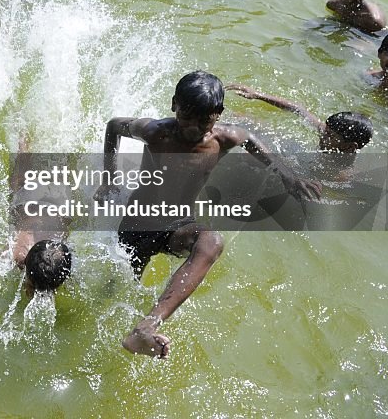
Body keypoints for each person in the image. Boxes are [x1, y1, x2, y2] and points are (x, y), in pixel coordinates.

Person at [96, 71, 319, 359]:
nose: (193, 127)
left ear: (218, 115)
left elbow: (249, 138)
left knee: (211, 241)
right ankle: (120, 331)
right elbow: (114, 126)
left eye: (204, 120)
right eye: (187, 117)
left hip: (178, 225)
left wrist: (288, 175)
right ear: (174, 105)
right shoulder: (157, 132)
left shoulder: (223, 139)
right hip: (139, 223)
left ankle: (146, 328)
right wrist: (108, 178)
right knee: (120, 286)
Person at [225, 83, 374, 154]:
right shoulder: (330, 134)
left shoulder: (340, 173)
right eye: (325, 129)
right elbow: (297, 109)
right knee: (245, 119)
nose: (322, 133)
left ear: (350, 147)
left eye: (329, 134)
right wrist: (257, 95)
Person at [9, 149, 72, 295]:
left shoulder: (22, 257)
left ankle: (25, 145)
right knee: (18, 182)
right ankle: (24, 144)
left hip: (59, 205)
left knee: (63, 176)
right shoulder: (21, 256)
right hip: (29, 203)